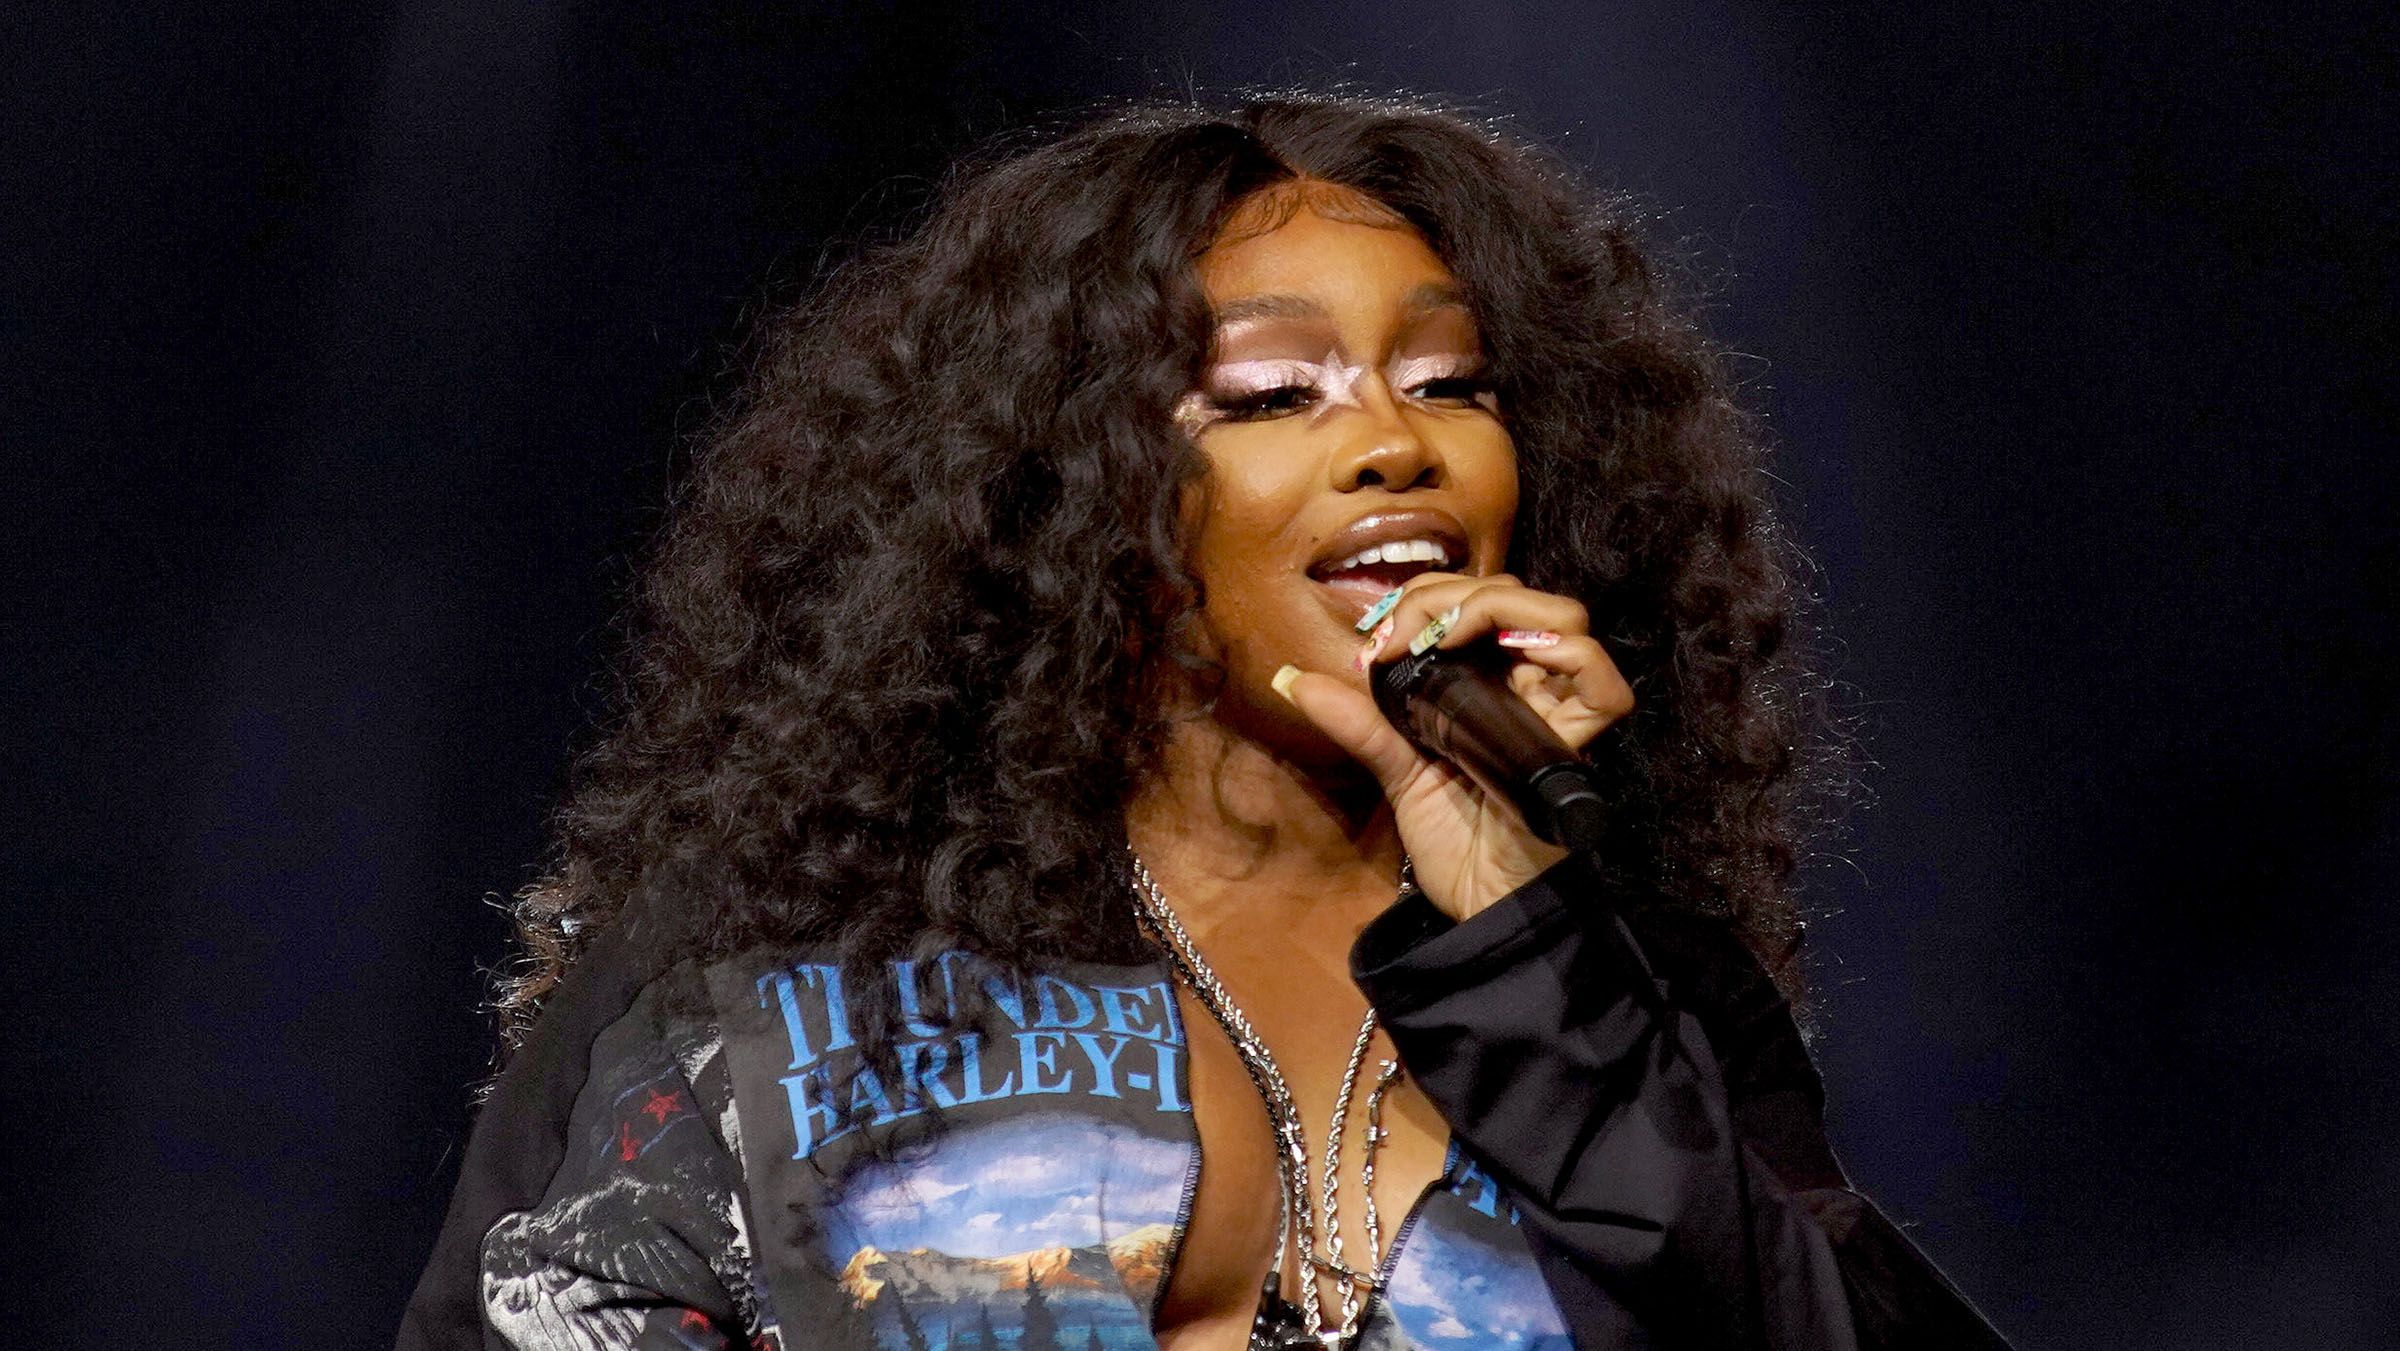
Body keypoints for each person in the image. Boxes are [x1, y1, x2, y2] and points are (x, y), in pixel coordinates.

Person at [399, 94, 2011, 1350]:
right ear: (1067, 488)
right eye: (1270, 394)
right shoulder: (770, 968)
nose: (1394, 442)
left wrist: (1526, 936)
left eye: (1452, 382)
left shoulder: (1632, 992)